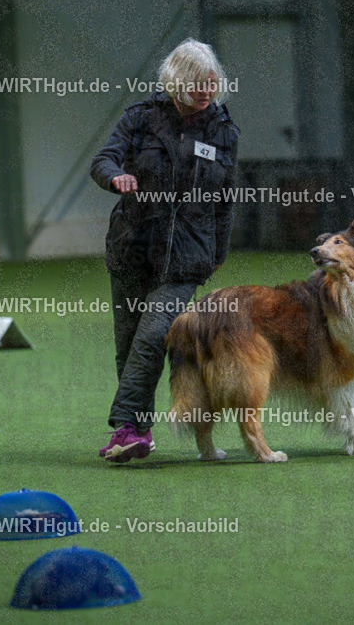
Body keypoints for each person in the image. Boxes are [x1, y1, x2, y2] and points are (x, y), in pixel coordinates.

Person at [91, 38, 239, 462]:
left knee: (154, 334)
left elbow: (225, 200)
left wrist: (216, 254)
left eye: (212, 82)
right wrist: (116, 177)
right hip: (132, 249)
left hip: (186, 257)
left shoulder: (224, 132)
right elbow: (103, 160)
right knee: (129, 342)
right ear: (176, 82)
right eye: (198, 83)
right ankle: (138, 432)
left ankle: (123, 427)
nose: (207, 90)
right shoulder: (140, 118)